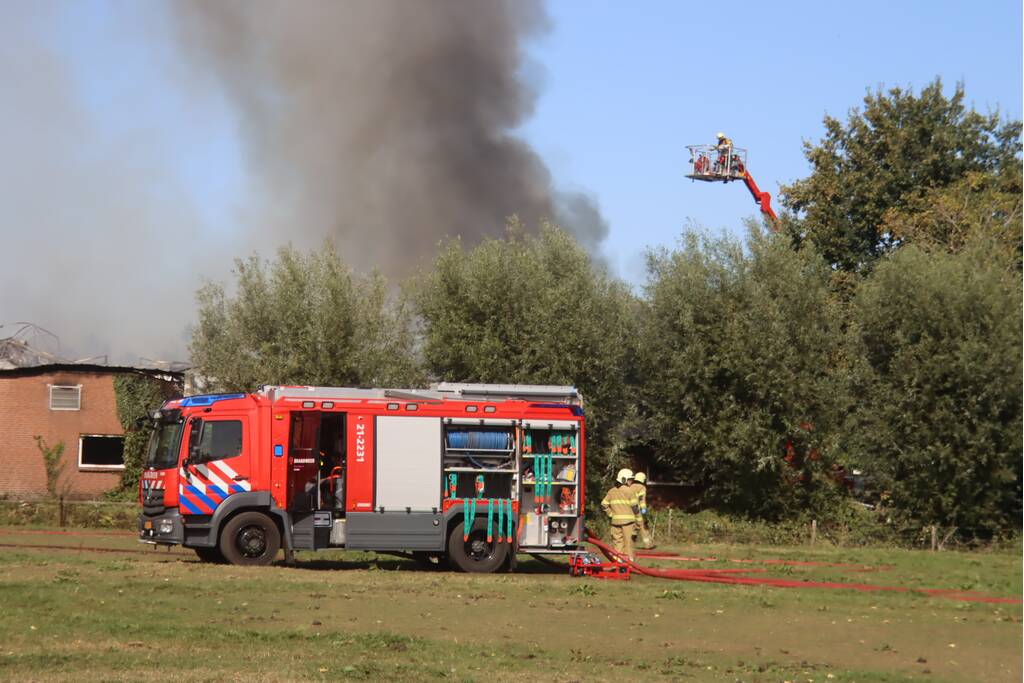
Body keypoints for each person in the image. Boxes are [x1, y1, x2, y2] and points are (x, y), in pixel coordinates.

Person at [601, 468, 639, 562]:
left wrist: (611, 514)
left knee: (617, 543)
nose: (631, 482)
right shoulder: (630, 491)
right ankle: (629, 563)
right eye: (630, 479)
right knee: (628, 543)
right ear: (624, 480)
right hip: (628, 523)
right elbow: (635, 507)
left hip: (615, 522)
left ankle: (618, 562)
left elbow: (604, 504)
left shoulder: (611, 491)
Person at [631, 472, 654, 549]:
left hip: (629, 510)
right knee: (643, 527)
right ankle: (648, 544)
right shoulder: (642, 487)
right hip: (637, 510)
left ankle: (631, 543)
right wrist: (644, 512)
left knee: (632, 527)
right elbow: (642, 500)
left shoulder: (630, 486)